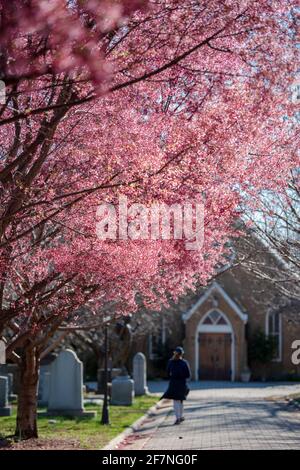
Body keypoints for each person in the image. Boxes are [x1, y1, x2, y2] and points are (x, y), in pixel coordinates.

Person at [161, 346, 191, 425]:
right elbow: (188, 375)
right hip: (182, 384)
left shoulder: (170, 362)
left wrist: (172, 376)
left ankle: (178, 418)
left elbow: (167, 373)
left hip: (173, 383)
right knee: (180, 401)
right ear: (182, 354)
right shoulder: (184, 363)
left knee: (175, 401)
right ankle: (180, 417)